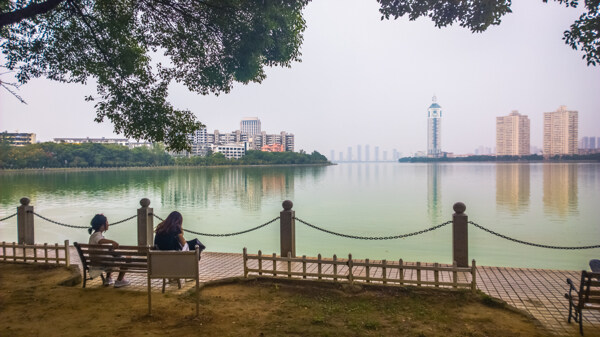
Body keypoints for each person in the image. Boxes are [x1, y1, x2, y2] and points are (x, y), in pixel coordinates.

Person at [88, 214, 130, 288]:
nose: (108, 224)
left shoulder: (93, 236)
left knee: (110, 254)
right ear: (102, 225)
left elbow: (101, 243)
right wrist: (112, 241)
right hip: (104, 263)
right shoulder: (97, 236)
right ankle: (120, 280)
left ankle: (108, 278)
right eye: (106, 222)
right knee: (128, 258)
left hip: (97, 262)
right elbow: (100, 241)